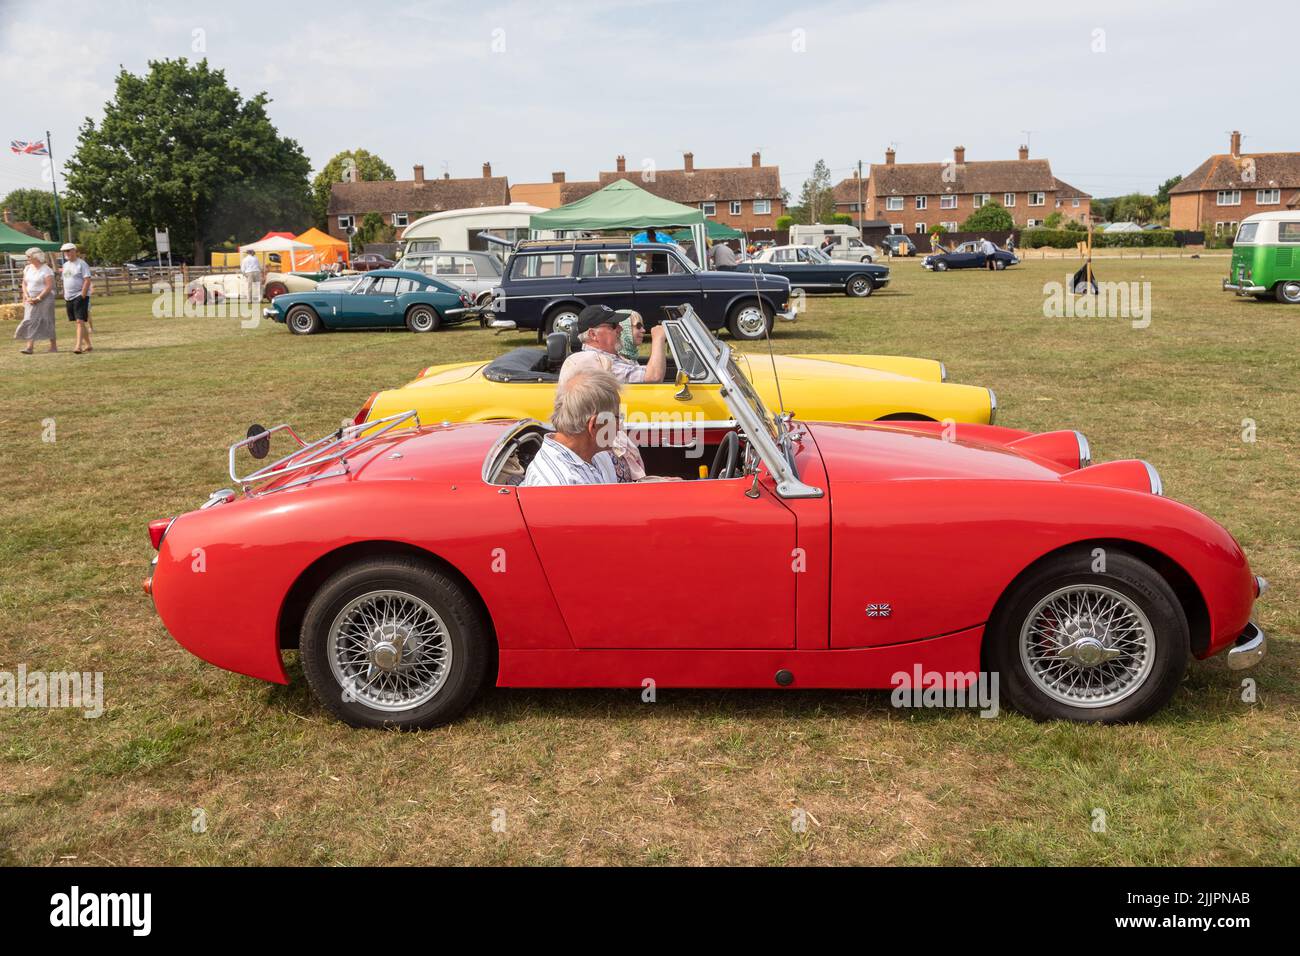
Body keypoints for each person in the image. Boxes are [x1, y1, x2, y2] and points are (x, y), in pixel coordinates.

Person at [521, 369, 623, 486]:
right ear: (594, 425)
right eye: (617, 418)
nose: (619, 427)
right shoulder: (557, 485)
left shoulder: (598, 455)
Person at [560, 303, 667, 384]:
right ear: (593, 334)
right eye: (614, 325)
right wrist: (658, 338)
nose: (620, 328)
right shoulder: (593, 361)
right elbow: (653, 377)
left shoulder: (608, 357)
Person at [15, 248, 56, 354]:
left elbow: (49, 286)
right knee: (29, 320)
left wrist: (39, 298)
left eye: (28, 256)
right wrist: (26, 296)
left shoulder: (46, 269)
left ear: (36, 257)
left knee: (47, 320)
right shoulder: (27, 268)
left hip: (45, 298)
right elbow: (24, 283)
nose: (26, 258)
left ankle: (53, 346)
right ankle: (29, 347)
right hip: (30, 299)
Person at [60, 242, 93, 354]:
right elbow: (65, 280)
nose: (67, 253)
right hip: (69, 297)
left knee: (80, 321)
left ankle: (78, 346)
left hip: (79, 295)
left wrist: (83, 294)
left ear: (75, 251)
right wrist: (65, 294)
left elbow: (87, 279)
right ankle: (88, 345)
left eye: (69, 250)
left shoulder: (81, 264)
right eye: (65, 251)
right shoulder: (65, 265)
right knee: (79, 322)